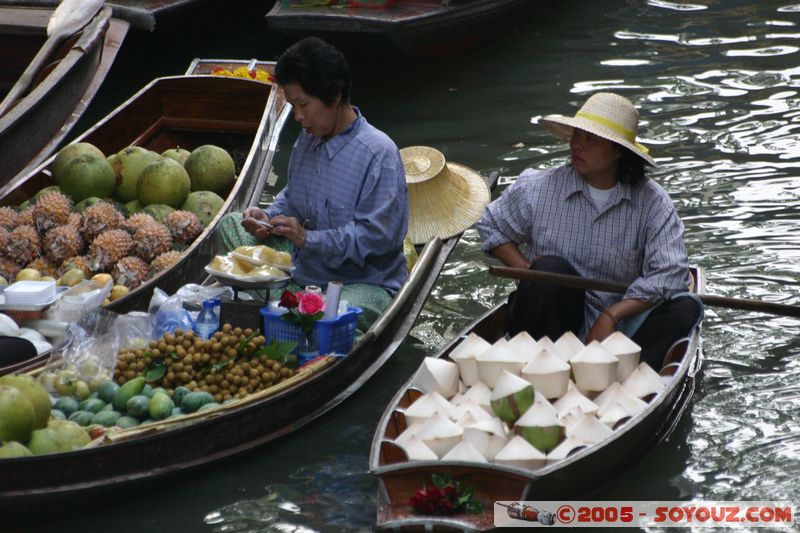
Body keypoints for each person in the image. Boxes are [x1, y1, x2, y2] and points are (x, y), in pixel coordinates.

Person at [476, 92, 703, 370]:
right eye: (576, 136)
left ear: (618, 151)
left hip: (619, 330)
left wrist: (611, 315)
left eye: (591, 139)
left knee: (686, 308)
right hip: (550, 325)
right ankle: (552, 369)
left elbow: (670, 273)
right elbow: (490, 223)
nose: (577, 146)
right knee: (547, 270)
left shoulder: (652, 203)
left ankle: (621, 379)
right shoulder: (540, 187)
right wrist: (526, 274)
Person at [219, 37, 409, 330]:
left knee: (331, 318)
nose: (297, 117)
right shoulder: (307, 138)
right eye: (294, 106)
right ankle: (293, 303)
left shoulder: (379, 154)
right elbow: (293, 195)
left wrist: (308, 239)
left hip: (359, 282)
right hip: (303, 267)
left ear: (334, 96)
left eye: (303, 105)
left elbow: (376, 240)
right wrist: (267, 217)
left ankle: (290, 306)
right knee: (230, 224)